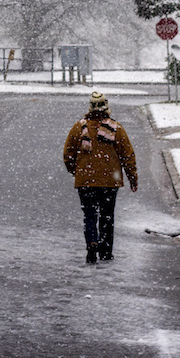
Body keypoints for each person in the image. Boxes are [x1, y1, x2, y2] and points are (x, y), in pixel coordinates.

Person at [62, 91, 138, 264]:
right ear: (107, 107)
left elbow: (68, 154)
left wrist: (77, 171)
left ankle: (91, 244)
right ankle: (105, 251)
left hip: (86, 181)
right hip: (109, 182)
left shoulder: (79, 128)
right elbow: (128, 156)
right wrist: (133, 178)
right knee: (107, 216)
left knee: (89, 215)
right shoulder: (116, 129)